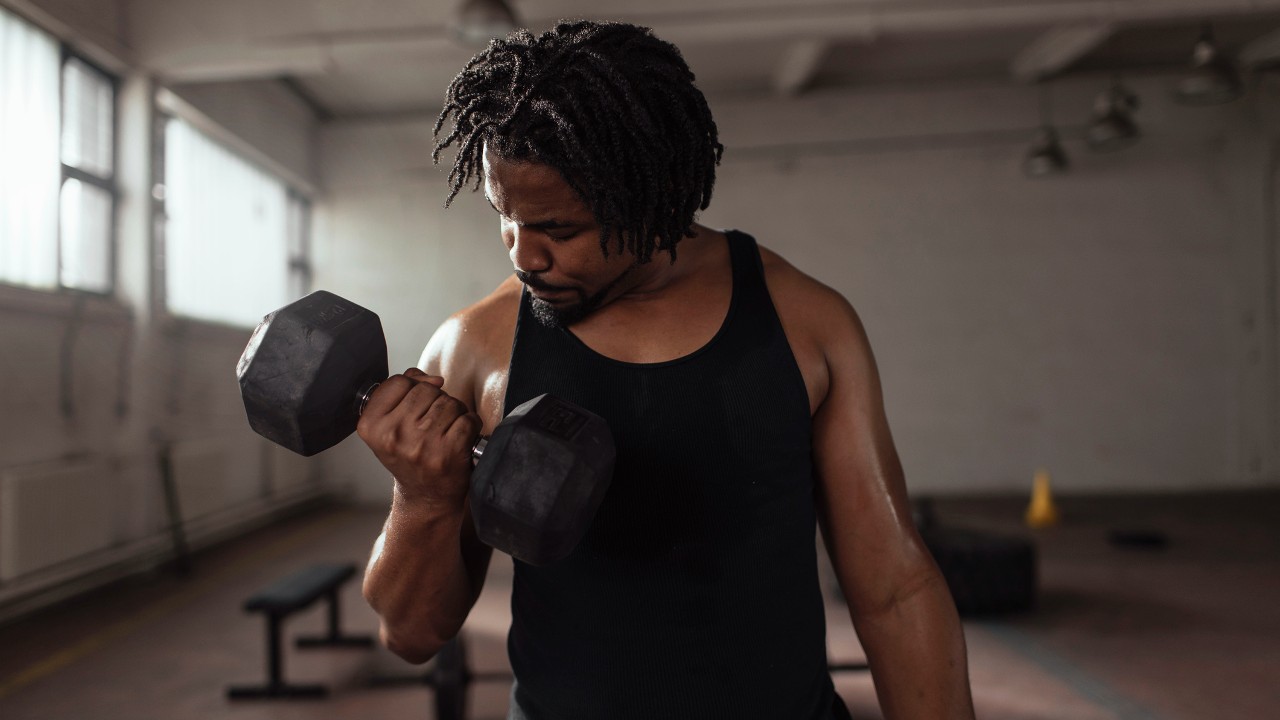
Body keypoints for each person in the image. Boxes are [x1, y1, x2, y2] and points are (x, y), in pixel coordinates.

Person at [357, 20, 975, 720]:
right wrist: (423, 499)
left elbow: (895, 590)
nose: (522, 256)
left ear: (653, 201)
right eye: (506, 217)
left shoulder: (807, 323)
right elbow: (411, 635)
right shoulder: (476, 346)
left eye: (559, 229)